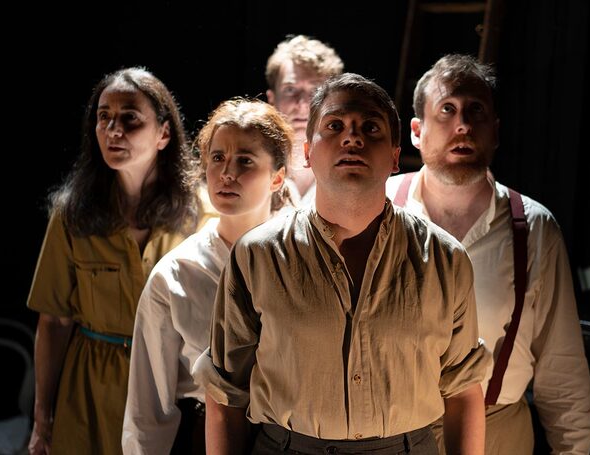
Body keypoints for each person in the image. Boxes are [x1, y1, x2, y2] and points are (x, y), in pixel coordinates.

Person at [196, 73, 488, 454]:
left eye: (370, 127)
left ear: (396, 156)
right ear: (308, 152)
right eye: (335, 126)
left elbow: (463, 392)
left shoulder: (444, 259)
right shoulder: (257, 256)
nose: (353, 138)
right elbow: (223, 395)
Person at [387, 54, 590, 454]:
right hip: (392, 432)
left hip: (498, 433)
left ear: (495, 132)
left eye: (475, 111)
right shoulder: (378, 209)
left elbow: (562, 368)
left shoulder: (533, 228)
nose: (462, 125)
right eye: (447, 110)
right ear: (417, 130)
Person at [27, 67, 200, 455]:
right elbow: (53, 321)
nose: (112, 130)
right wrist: (42, 419)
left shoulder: (198, 213)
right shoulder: (73, 213)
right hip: (89, 390)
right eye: (103, 117)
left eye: (129, 119)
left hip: (168, 387)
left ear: (164, 133)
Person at [122, 98, 292, 454]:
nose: (227, 173)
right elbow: (148, 402)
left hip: (287, 436)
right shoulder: (176, 273)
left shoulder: (299, 262)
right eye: (217, 158)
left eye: (245, 160)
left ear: (277, 176)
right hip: (201, 435)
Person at [265, 34, 344, 206]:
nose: (302, 104)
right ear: (272, 99)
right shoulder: (252, 165)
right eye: (290, 89)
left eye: (315, 90)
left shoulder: (349, 167)